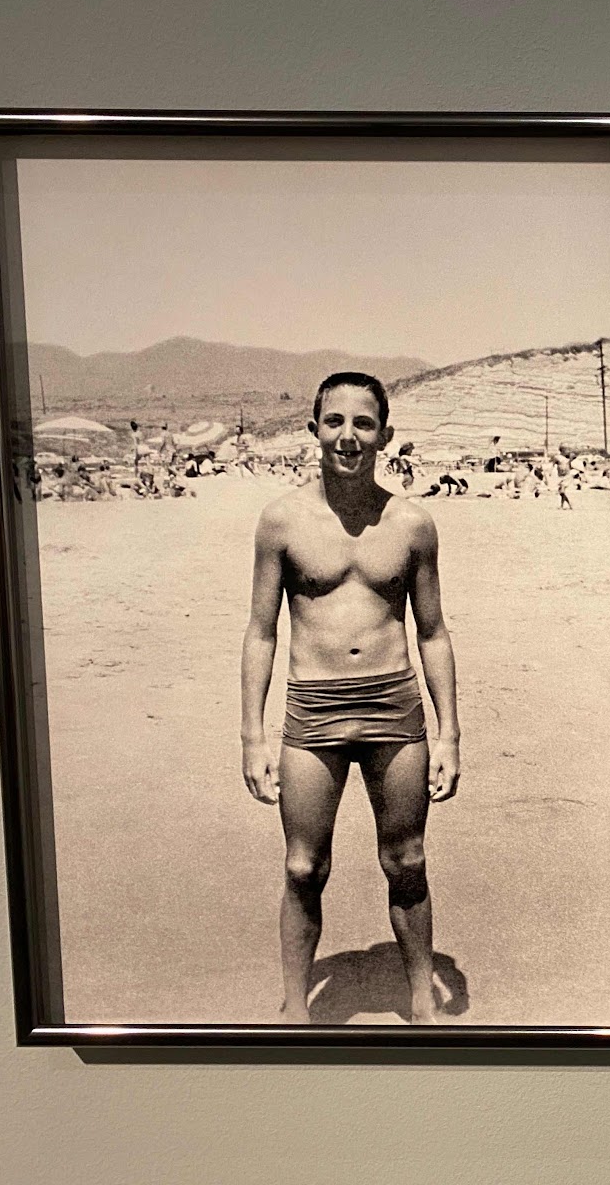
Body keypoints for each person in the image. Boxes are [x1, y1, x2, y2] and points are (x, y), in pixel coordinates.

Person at [240, 371, 462, 1024]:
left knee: (407, 860)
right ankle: (295, 1008)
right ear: (314, 430)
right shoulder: (281, 521)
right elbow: (260, 632)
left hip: (394, 705)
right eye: (334, 421)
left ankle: (421, 999)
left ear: (385, 435)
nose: (348, 436)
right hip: (313, 707)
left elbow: (432, 632)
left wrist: (449, 733)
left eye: (364, 423)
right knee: (303, 867)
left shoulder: (413, 524)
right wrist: (252, 736)